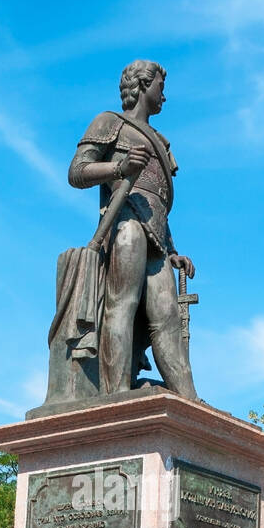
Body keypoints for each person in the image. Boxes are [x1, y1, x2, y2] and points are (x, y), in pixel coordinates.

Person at [66, 60, 198, 398]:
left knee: (167, 320)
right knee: (121, 305)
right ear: (142, 85)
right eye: (160, 88)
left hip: (156, 238)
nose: (164, 97)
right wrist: (120, 167)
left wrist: (172, 251)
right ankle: (116, 395)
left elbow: (157, 204)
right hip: (125, 224)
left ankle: (188, 399)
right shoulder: (110, 122)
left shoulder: (161, 142)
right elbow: (77, 172)